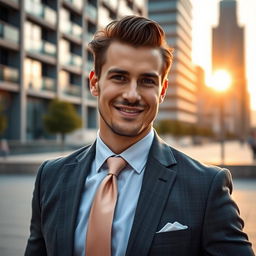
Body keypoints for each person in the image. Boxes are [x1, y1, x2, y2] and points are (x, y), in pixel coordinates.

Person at [25, 16, 254, 256]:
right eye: (119, 77)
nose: (132, 95)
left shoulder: (206, 186)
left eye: (147, 81)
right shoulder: (50, 177)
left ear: (162, 91)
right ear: (95, 83)